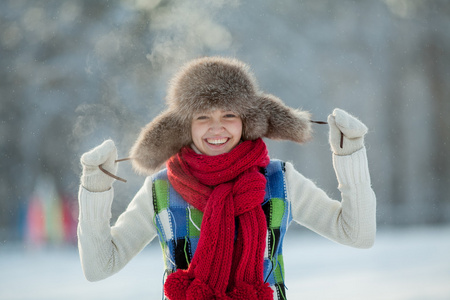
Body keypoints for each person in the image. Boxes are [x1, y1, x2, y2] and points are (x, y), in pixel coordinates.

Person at [78, 56, 376, 300]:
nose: (216, 128)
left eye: (229, 115)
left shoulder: (279, 180)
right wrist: (94, 189)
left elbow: (357, 235)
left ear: (247, 120)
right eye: (203, 117)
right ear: (185, 125)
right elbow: (100, 266)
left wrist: (350, 156)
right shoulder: (161, 189)